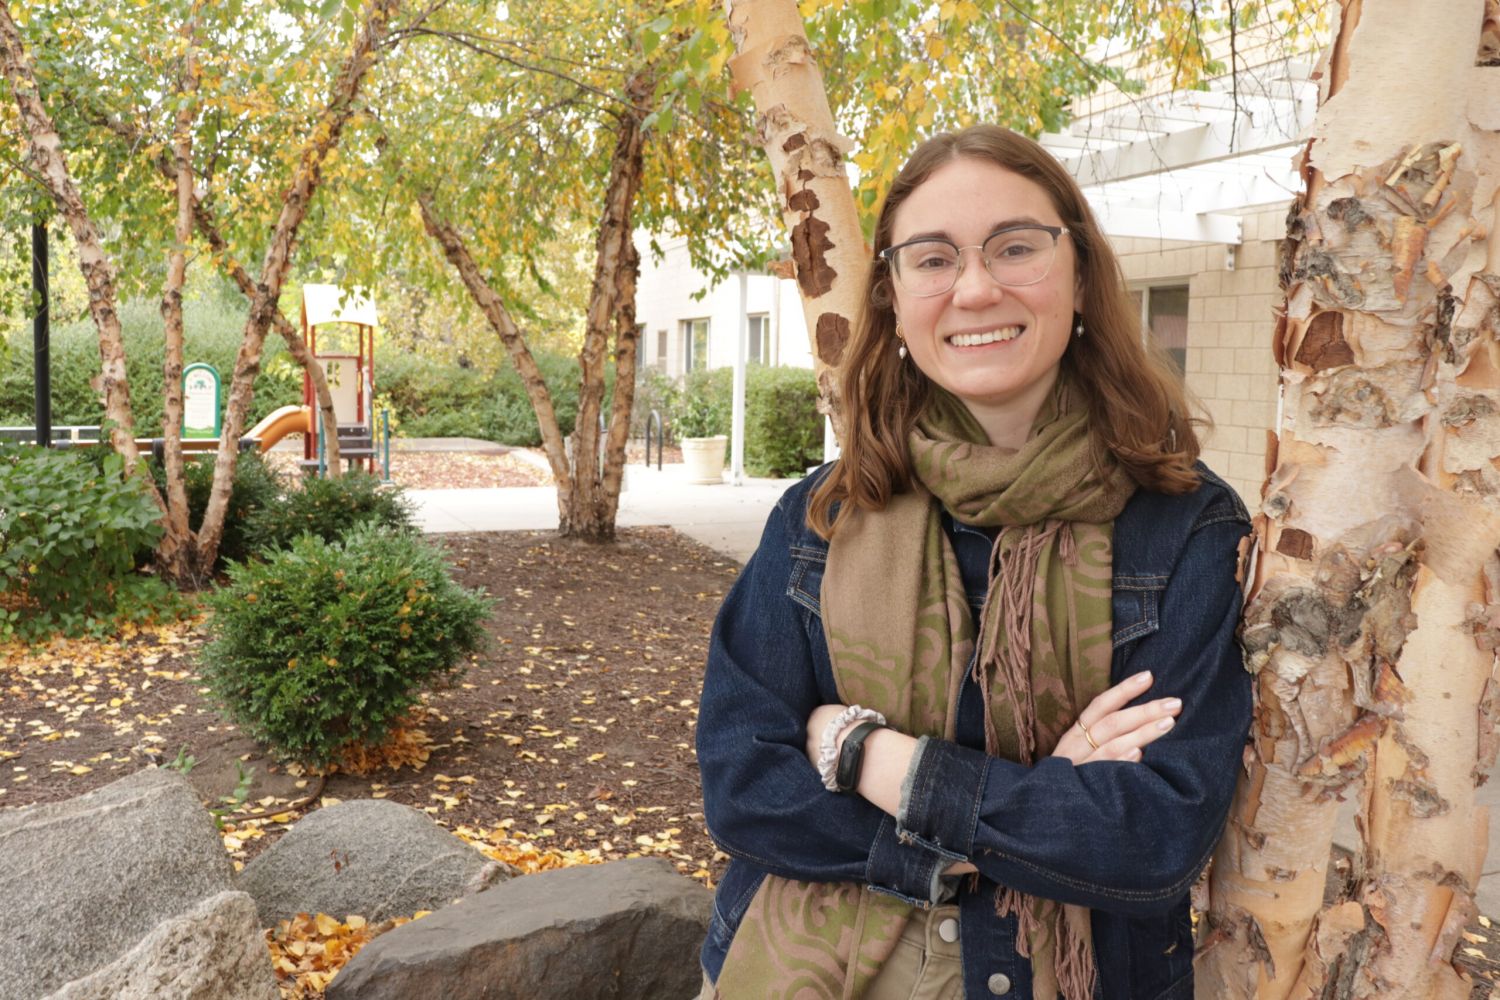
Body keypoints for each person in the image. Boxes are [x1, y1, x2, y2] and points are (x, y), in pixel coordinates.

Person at [695, 124, 1252, 1000]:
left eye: (1016, 247)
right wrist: (1036, 807)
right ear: (894, 294)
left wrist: (874, 759)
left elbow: (1154, 838)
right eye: (933, 258)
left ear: (1079, 274)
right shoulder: (823, 516)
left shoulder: (1183, 525)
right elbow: (744, 787)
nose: (977, 288)